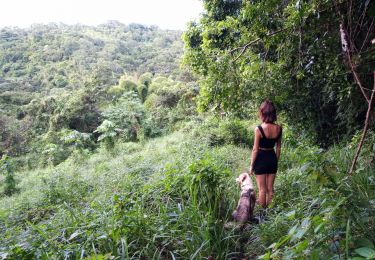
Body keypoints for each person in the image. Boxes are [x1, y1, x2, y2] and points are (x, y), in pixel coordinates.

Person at [249, 100, 282, 219]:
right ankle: (271, 215)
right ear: (273, 113)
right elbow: (278, 148)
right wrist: (275, 161)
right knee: (270, 189)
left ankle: (262, 216)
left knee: (262, 190)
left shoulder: (258, 129)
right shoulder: (279, 128)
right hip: (272, 158)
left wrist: (252, 166)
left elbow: (255, 149)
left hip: (261, 159)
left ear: (262, 113)